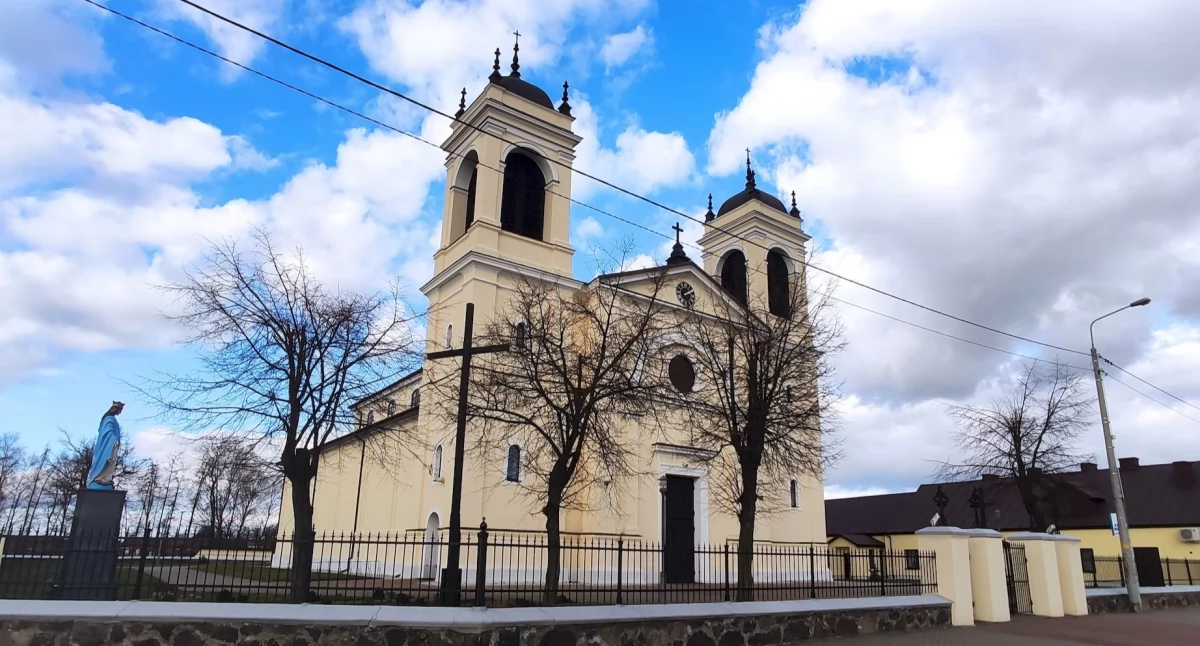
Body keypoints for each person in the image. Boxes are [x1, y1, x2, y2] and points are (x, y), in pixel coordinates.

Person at [87, 401, 124, 490]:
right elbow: (107, 431)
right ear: (116, 409)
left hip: (111, 444)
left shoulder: (110, 419)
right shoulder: (109, 419)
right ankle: (100, 478)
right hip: (108, 445)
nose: (120, 412)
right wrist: (113, 440)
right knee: (106, 460)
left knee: (111, 462)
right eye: (120, 410)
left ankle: (105, 478)